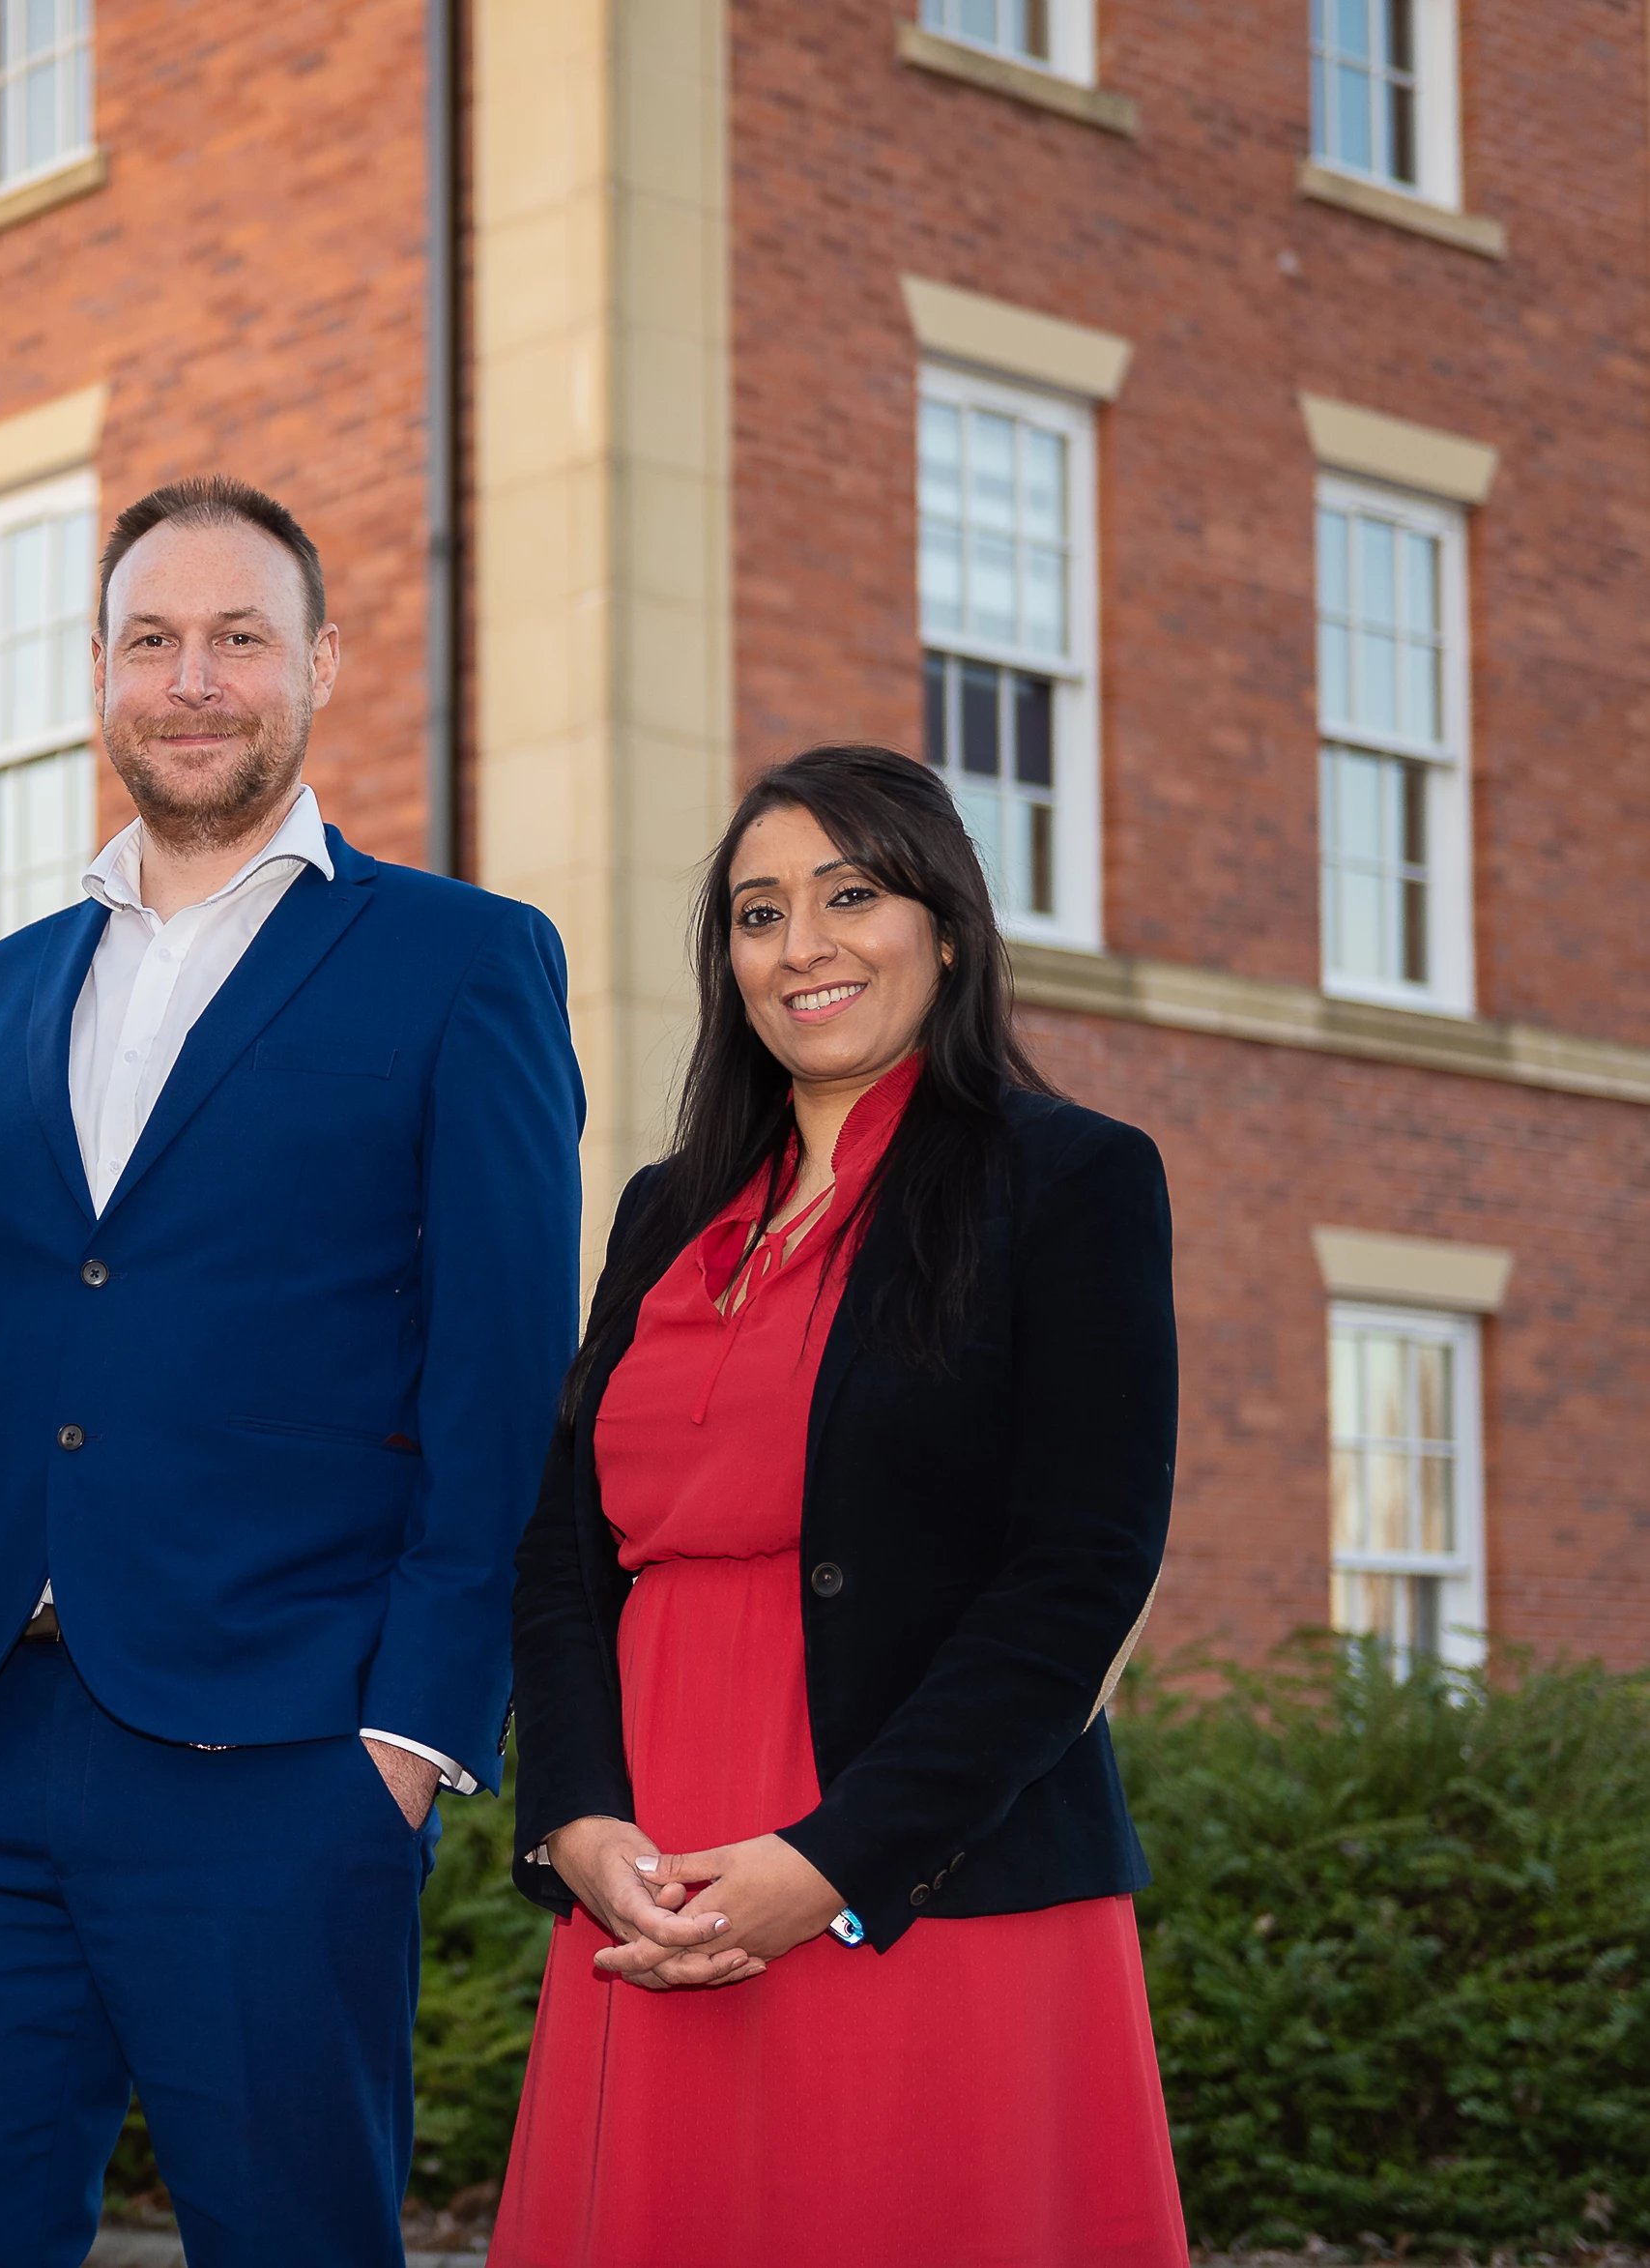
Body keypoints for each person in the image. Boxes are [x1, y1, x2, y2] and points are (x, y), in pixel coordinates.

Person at [0, 476, 586, 2266]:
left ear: (318, 662)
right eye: (152, 639)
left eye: (239, 636)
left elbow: (503, 1378)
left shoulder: (460, 960)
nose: (194, 678)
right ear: (97, 672)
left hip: (280, 1754)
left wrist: (408, 1733)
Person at [490, 742, 1188, 2264]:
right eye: (756, 912)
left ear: (945, 924)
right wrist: (579, 1819)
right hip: (651, 1873)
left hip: (925, 1867)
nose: (799, 944)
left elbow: (1080, 1571)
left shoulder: (1072, 1180)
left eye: (848, 894)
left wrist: (833, 1863)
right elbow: (559, 1547)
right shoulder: (662, 1210)